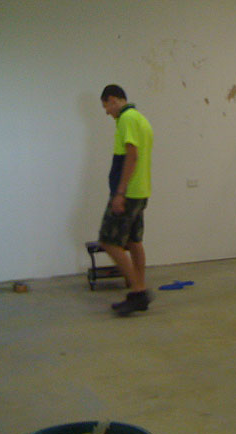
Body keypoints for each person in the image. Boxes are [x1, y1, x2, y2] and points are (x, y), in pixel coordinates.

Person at [98, 84, 154, 315]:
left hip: (128, 193)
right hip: (140, 191)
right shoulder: (140, 119)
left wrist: (119, 193)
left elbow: (132, 155)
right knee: (133, 241)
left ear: (113, 100)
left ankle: (139, 291)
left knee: (108, 241)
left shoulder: (127, 119)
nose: (107, 112)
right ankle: (138, 289)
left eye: (106, 106)